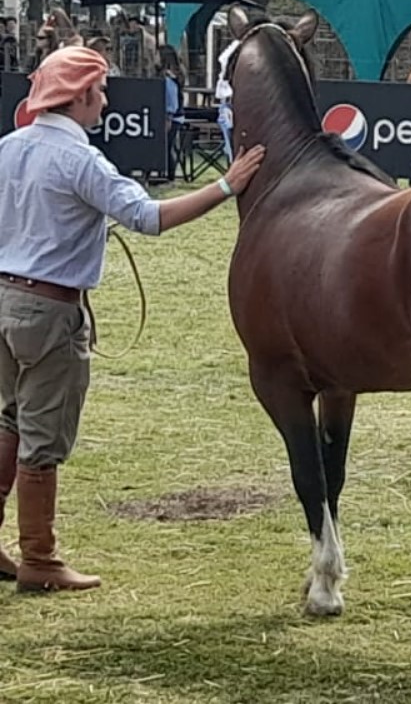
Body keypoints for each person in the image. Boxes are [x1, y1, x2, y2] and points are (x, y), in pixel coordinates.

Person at [0, 46, 266, 591]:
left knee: (7, 420)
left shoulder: (10, 147)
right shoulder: (81, 161)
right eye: (100, 91)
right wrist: (226, 186)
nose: (105, 101)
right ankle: (39, 559)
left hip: (4, 296)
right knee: (42, 436)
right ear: (79, 96)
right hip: (50, 309)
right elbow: (148, 217)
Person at [158, 45, 185, 182]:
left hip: (172, 117)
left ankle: (170, 176)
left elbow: (171, 99)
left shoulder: (168, 78)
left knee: (167, 146)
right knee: (169, 146)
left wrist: (168, 117)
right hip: (175, 116)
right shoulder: (174, 75)